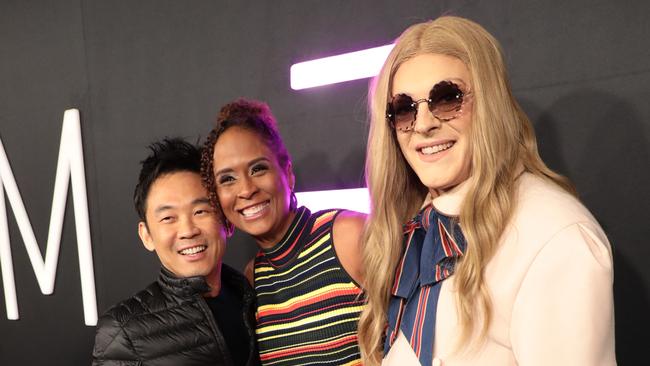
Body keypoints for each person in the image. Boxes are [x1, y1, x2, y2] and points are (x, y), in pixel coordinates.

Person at [357, 16, 616, 366]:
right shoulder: (416, 229)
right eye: (404, 109)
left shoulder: (556, 237)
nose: (423, 124)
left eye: (447, 98)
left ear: (490, 102)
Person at [201, 99, 366, 366]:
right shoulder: (253, 277)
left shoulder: (349, 235)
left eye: (258, 168)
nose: (246, 190)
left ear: (287, 174)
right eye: (227, 179)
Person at [91, 138, 259, 366]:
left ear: (227, 222)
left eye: (201, 211)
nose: (188, 231)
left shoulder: (253, 297)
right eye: (168, 218)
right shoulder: (124, 331)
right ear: (146, 235)